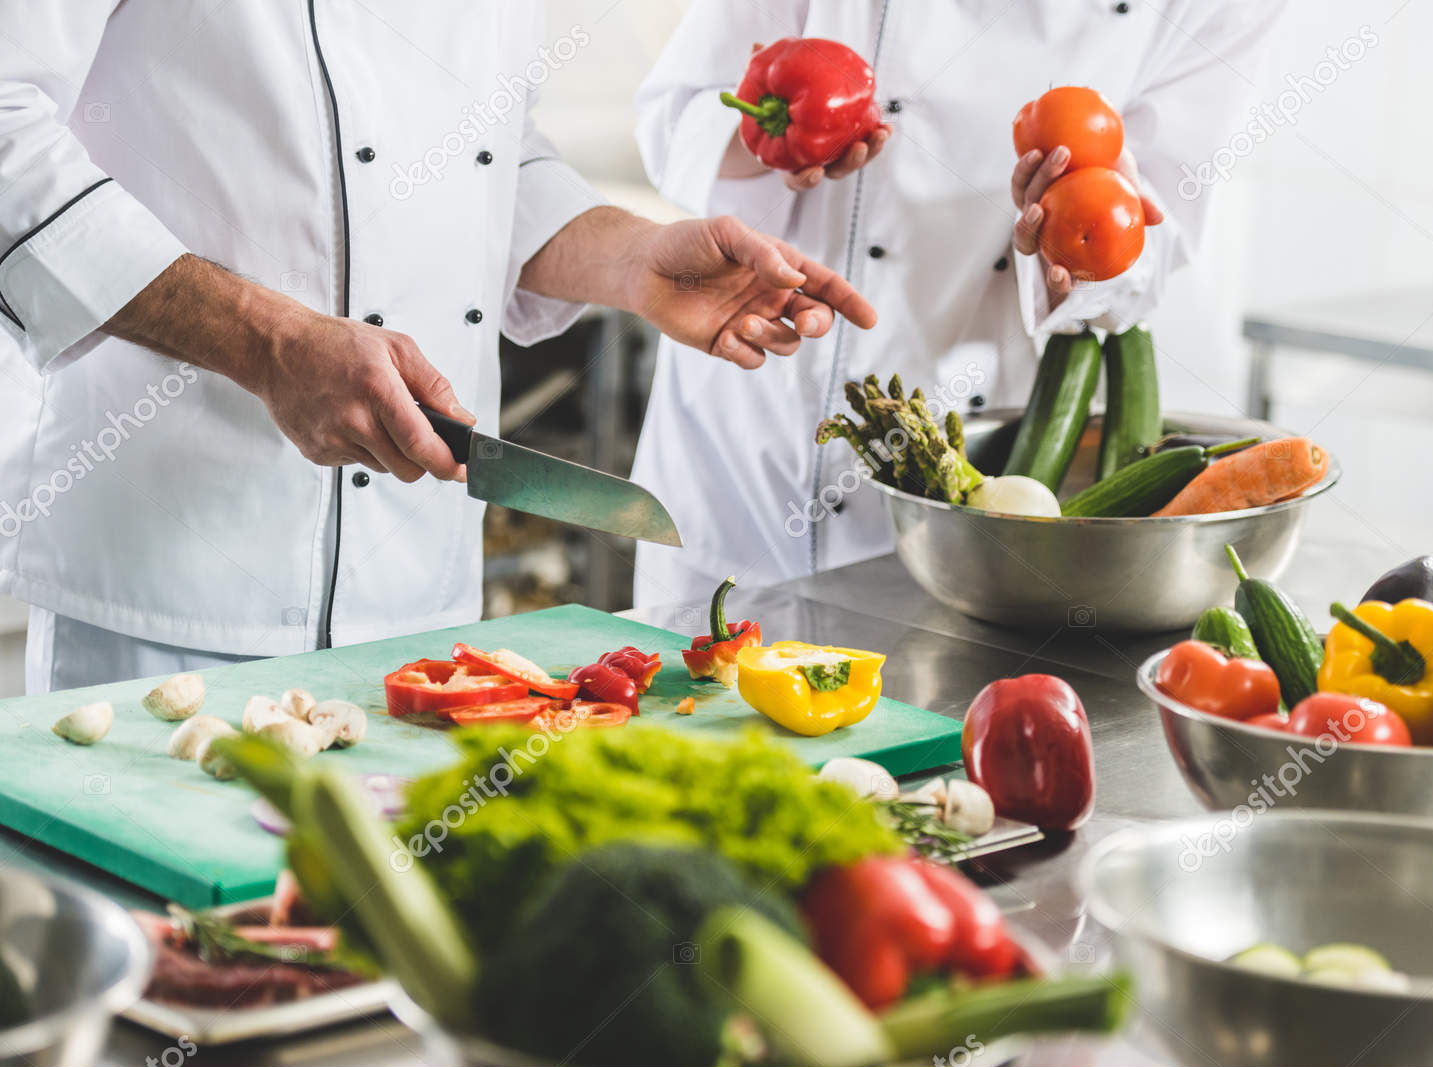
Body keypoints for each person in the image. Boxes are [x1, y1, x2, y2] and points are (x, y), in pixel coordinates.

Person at [0, 2, 872, 691]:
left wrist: (632, 258)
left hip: (421, 603)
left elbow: (490, 153)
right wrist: (265, 343)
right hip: (170, 592)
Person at [630, 0, 1285, 608]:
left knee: (920, 711)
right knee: (688, 708)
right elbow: (674, 118)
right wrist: (777, 141)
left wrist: (1075, 263)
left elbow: (1154, 235)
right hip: (748, 430)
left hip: (959, 478)